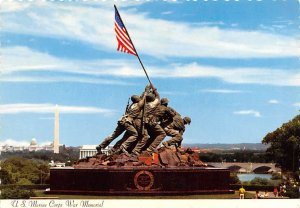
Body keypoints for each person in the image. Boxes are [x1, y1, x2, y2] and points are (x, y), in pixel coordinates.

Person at [95, 86, 148, 154]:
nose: (139, 98)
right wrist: (146, 91)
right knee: (135, 135)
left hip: (122, 120)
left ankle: (100, 146)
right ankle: (123, 146)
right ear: (137, 99)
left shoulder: (131, 105)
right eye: (138, 98)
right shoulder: (138, 106)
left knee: (113, 135)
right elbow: (143, 99)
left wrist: (144, 91)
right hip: (127, 122)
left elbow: (141, 98)